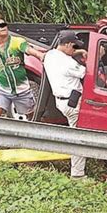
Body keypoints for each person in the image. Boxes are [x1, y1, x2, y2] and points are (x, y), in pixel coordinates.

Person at [43, 30, 88, 179]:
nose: (75, 49)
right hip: (73, 103)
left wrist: (77, 51)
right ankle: (77, 174)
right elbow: (87, 73)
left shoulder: (50, 55)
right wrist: (96, 56)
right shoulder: (68, 63)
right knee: (80, 139)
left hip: (61, 101)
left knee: (75, 133)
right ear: (67, 44)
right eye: (74, 46)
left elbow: (64, 56)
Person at [0, 14, 45, 118]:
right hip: (2, 89)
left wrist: (40, 55)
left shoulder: (17, 41)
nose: (3, 27)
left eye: (4, 24)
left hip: (22, 90)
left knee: (31, 116)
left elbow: (28, 49)